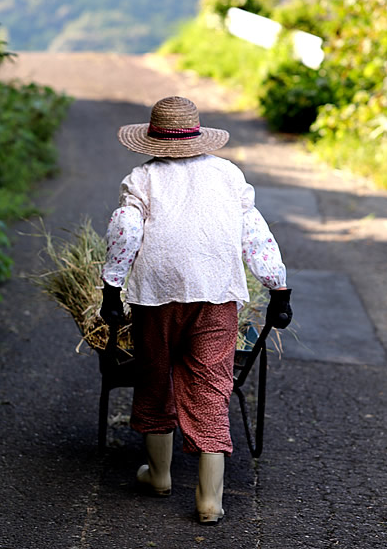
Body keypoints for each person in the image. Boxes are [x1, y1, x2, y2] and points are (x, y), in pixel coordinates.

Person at [100, 96, 292, 524]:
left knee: (154, 377)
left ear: (151, 140)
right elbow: (254, 232)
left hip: (156, 298)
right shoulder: (227, 175)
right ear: (199, 138)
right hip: (216, 296)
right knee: (210, 388)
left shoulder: (142, 178)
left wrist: (112, 288)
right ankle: (209, 500)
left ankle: (161, 475)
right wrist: (278, 287)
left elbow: (126, 230)